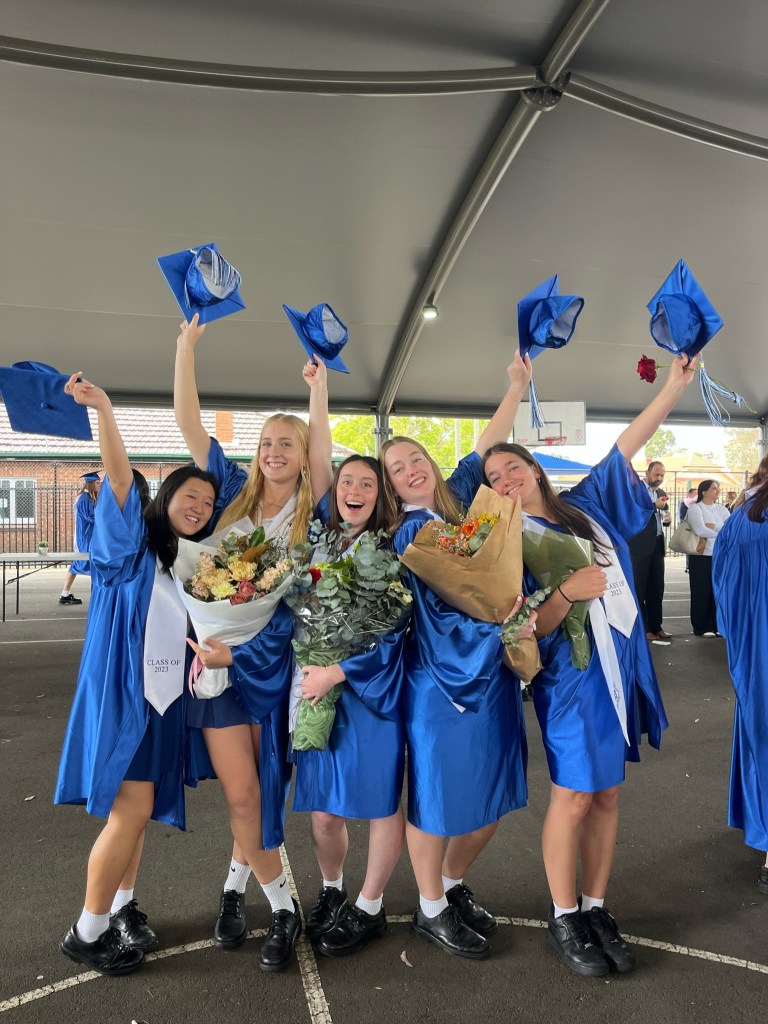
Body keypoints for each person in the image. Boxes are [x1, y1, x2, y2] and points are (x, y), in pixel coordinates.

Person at [482, 352, 699, 977]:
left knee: (606, 794)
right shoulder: (503, 544)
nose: (505, 479)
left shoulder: (586, 506)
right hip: (570, 677)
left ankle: (596, 906)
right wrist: (563, 593)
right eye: (493, 475)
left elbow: (626, 446)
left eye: (513, 466)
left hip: (620, 662)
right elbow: (525, 630)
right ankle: (563, 913)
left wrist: (672, 387)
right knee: (575, 794)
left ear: (535, 467)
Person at [55, 373, 219, 976]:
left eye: (207, 504)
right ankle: (88, 930)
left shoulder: (181, 565)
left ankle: (122, 906)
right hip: (127, 698)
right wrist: (104, 409)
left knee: (138, 811)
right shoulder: (129, 549)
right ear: (163, 498)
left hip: (162, 702)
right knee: (130, 809)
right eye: (188, 496)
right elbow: (120, 479)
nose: (198, 508)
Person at [379, 352, 534, 961]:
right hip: (439, 680)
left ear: (431, 463)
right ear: (392, 487)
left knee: (493, 793)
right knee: (436, 799)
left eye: (416, 458)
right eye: (397, 469)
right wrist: (499, 620)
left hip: (491, 673)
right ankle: (430, 908)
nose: (410, 470)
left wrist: (515, 385)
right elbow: (442, 608)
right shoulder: (407, 534)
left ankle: (449, 882)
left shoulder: (463, 502)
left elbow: (485, 444)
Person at [174, 314, 310, 969]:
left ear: (304, 453)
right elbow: (189, 424)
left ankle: (234, 888)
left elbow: (297, 609)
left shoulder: (313, 516)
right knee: (240, 795)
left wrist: (316, 392)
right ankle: (283, 907)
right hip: (218, 668)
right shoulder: (231, 494)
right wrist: (186, 349)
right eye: (266, 442)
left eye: (287, 443)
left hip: (271, 668)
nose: (273, 451)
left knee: (263, 789)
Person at [292, 355, 407, 957]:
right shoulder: (321, 535)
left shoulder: (397, 549)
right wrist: (320, 391)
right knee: (323, 811)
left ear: (380, 495)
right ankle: (333, 889)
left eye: (367, 483)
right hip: (316, 686)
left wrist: (341, 669)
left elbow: (398, 633)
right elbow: (318, 459)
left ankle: (371, 904)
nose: (354, 490)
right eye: (347, 483)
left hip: (370, 690)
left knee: (380, 802)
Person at [712, 472, 768, 894]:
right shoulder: (748, 519)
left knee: (761, 733)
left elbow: (725, 595)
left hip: (757, 651)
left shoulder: (742, 518)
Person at [628, 461, 672, 640]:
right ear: (647, 473)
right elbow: (632, 513)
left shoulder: (661, 493)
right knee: (639, 588)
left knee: (656, 588)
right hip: (639, 546)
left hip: (657, 545)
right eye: (656, 474)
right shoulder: (635, 490)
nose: (659, 478)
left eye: (662, 475)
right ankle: (644, 628)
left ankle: (656, 626)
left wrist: (667, 520)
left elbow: (660, 516)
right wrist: (654, 506)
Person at [685, 480, 729, 637]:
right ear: (704, 492)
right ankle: (702, 627)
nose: (718, 491)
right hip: (701, 556)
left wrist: (713, 527)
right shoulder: (695, 508)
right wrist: (720, 533)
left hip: (719, 555)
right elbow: (700, 530)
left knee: (718, 591)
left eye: (718, 488)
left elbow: (729, 528)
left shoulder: (722, 509)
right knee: (701, 591)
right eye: (714, 488)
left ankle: (718, 625)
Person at [59, 472, 101, 605]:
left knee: (85, 563)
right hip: (85, 536)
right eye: (97, 483)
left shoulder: (88, 497)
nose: (100, 485)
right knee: (85, 562)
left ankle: (65, 593)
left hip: (88, 535)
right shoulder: (84, 498)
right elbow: (91, 517)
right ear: (91, 484)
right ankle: (67, 594)